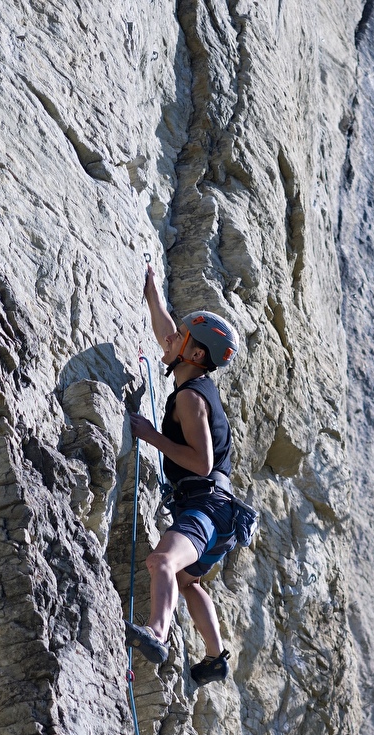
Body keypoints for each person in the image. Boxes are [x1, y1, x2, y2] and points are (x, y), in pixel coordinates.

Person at [126, 264, 241, 685]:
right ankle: (214, 657)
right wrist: (152, 290)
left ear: (193, 355)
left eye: (182, 337)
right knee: (187, 582)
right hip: (222, 516)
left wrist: (150, 435)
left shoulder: (191, 398)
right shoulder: (191, 376)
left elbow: (201, 463)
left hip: (205, 506)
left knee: (161, 561)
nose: (171, 337)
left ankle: (157, 633)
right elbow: (166, 332)